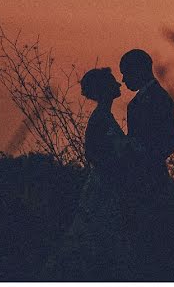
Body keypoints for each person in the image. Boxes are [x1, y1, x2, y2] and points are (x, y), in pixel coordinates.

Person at [42, 67, 132, 280]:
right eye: (113, 82)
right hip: (105, 184)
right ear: (103, 89)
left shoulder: (103, 117)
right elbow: (93, 153)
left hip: (106, 182)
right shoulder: (101, 118)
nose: (119, 84)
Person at [119, 49, 174, 276]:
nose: (124, 80)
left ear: (140, 69)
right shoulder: (135, 103)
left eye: (126, 73)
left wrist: (148, 156)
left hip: (151, 178)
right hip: (136, 178)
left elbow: (172, 139)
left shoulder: (160, 99)